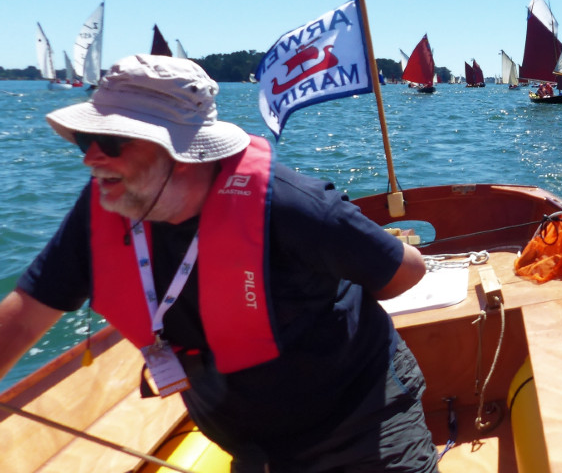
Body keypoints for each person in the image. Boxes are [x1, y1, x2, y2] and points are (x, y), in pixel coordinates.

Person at [0, 55, 439, 473]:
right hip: (256, 445)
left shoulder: (295, 208)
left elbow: (407, 270)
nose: (90, 158)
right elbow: (23, 319)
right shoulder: (104, 208)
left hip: (367, 421)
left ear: (185, 154)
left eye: (112, 142)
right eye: (85, 139)